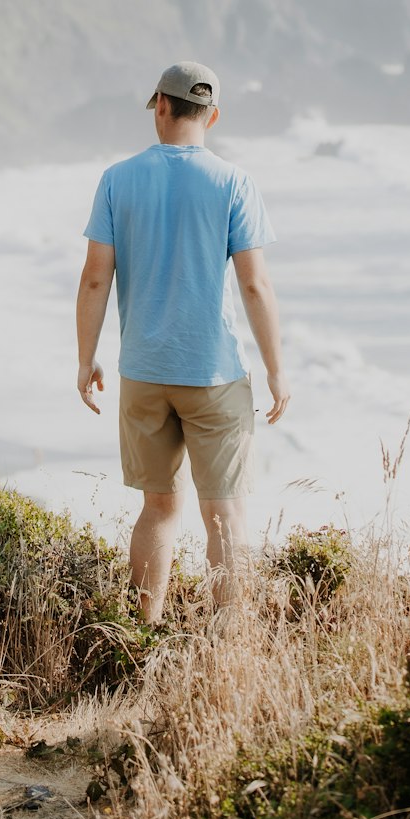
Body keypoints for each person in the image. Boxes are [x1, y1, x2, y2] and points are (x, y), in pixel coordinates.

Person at [76, 60, 291, 623]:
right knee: (225, 516)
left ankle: (139, 638)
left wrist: (85, 359)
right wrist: (276, 370)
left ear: (162, 107)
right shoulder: (234, 183)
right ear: (213, 115)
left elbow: (96, 276)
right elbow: (254, 283)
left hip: (144, 372)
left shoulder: (117, 179)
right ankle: (225, 646)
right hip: (214, 374)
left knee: (159, 509)